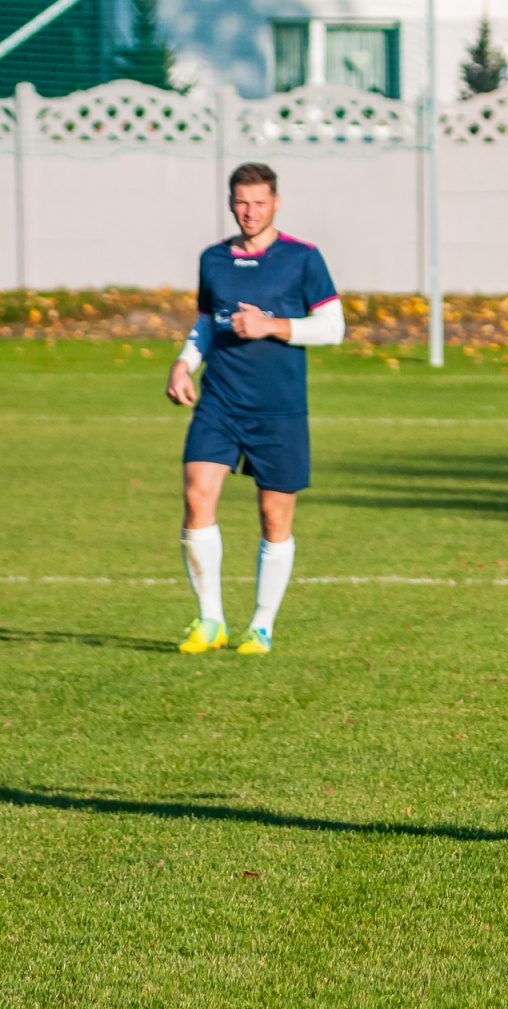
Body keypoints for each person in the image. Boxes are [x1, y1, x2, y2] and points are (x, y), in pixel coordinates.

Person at [165, 163, 345, 656]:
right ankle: (210, 620)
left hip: (279, 409)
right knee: (198, 497)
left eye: (260, 202)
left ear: (276, 203)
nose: (250, 212)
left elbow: (333, 327)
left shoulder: (303, 259)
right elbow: (206, 323)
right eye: (242, 202)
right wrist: (184, 363)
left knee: (274, 515)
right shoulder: (213, 259)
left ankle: (261, 626)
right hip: (220, 400)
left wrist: (274, 327)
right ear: (231, 202)